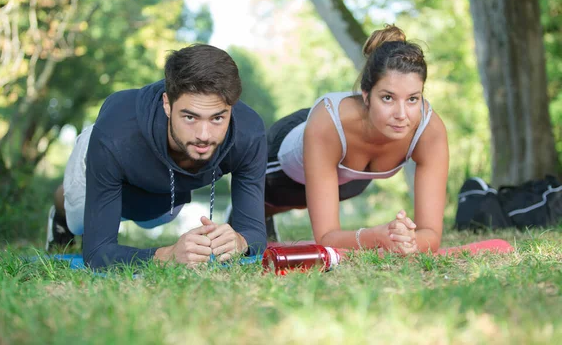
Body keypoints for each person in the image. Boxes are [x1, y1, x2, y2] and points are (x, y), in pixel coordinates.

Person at [45, 44, 268, 269]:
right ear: (167, 105)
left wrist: (240, 241)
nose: (204, 135)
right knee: (79, 222)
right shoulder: (114, 135)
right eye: (190, 117)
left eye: (217, 118)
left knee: (157, 219)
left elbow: (255, 232)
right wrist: (167, 255)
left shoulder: (249, 134)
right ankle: (61, 213)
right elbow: (96, 253)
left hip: (165, 193)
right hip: (113, 152)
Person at [264, 25, 449, 254]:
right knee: (270, 205)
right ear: (366, 95)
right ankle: (259, 215)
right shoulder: (328, 124)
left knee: (338, 187)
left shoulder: (429, 130)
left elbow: (430, 234)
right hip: (283, 161)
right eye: (388, 98)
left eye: (412, 99)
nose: (402, 114)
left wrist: (407, 242)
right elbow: (325, 239)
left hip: (349, 178)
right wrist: (375, 237)